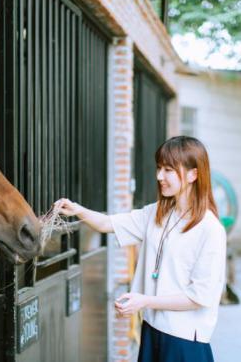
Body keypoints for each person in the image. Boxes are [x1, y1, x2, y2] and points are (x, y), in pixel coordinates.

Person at [54, 136, 226, 362]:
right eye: (159, 168)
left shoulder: (210, 229)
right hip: (152, 328)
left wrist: (145, 301)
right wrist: (77, 210)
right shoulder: (158, 213)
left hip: (184, 340)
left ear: (193, 174)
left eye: (168, 170)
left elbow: (199, 297)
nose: (159, 177)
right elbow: (108, 224)